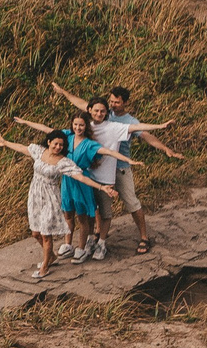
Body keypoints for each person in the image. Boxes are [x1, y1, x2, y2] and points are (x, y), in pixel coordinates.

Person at [52, 80, 184, 255]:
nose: (112, 105)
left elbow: (145, 134)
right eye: (111, 101)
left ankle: (143, 236)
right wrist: (63, 92)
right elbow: (80, 103)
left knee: (131, 202)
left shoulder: (124, 122)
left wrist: (165, 146)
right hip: (95, 168)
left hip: (120, 167)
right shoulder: (100, 114)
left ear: (125, 103)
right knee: (97, 204)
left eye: (116, 102)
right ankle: (98, 235)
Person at [14, 106, 141, 259]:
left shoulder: (89, 144)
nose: (78, 127)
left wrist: (128, 160)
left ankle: (81, 248)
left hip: (80, 179)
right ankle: (68, 244)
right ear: (72, 125)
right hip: (67, 181)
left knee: (82, 217)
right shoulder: (67, 136)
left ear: (86, 126)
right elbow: (47, 130)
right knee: (68, 213)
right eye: (75, 124)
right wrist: (25, 122)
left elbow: (109, 152)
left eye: (81, 125)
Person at [0, 129, 111, 281]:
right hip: (34, 196)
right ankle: (51, 256)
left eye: (61, 145)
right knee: (36, 233)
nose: (58, 147)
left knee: (46, 235)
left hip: (50, 199)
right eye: (56, 143)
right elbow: (23, 148)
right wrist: (5, 143)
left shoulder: (63, 162)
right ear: (49, 142)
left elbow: (80, 177)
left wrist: (101, 187)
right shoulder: (39, 152)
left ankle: (44, 267)